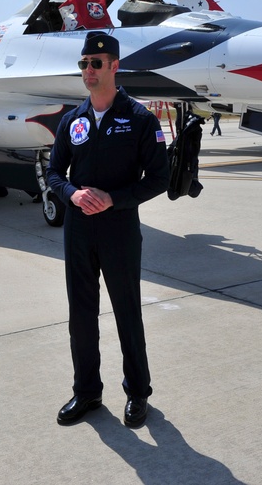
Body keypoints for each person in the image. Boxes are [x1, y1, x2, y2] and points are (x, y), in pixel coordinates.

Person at [46, 31, 170, 429]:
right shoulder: (72, 120)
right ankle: (87, 392)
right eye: (83, 64)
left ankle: (137, 392)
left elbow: (159, 178)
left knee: (126, 311)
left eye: (95, 64)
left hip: (118, 229)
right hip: (79, 229)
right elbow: (53, 173)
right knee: (80, 314)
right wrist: (72, 194)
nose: (88, 71)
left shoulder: (139, 119)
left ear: (114, 66)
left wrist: (114, 199)